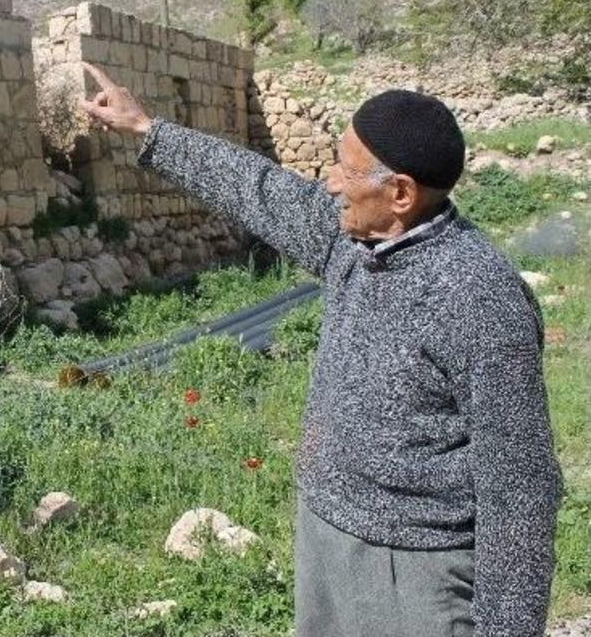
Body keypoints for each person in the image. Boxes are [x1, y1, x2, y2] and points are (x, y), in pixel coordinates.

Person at [79, 62, 562, 637]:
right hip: (325, 538)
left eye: (346, 169)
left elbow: (520, 483)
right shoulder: (352, 239)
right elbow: (257, 189)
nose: (330, 182)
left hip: (412, 573)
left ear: (401, 193)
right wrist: (148, 130)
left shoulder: (479, 297)